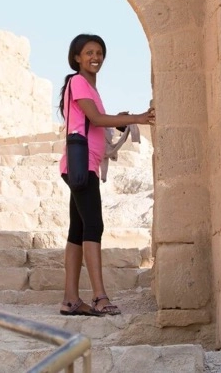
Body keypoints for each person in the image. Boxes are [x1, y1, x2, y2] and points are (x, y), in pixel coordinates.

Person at [58, 33, 155, 316]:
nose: (95, 57)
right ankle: (100, 296)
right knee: (93, 226)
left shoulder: (89, 87)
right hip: (82, 165)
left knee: (77, 231)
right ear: (77, 57)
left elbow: (98, 122)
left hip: (82, 164)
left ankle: (70, 300)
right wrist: (136, 118)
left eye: (99, 52)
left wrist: (122, 120)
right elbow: (97, 120)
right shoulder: (78, 81)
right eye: (88, 52)